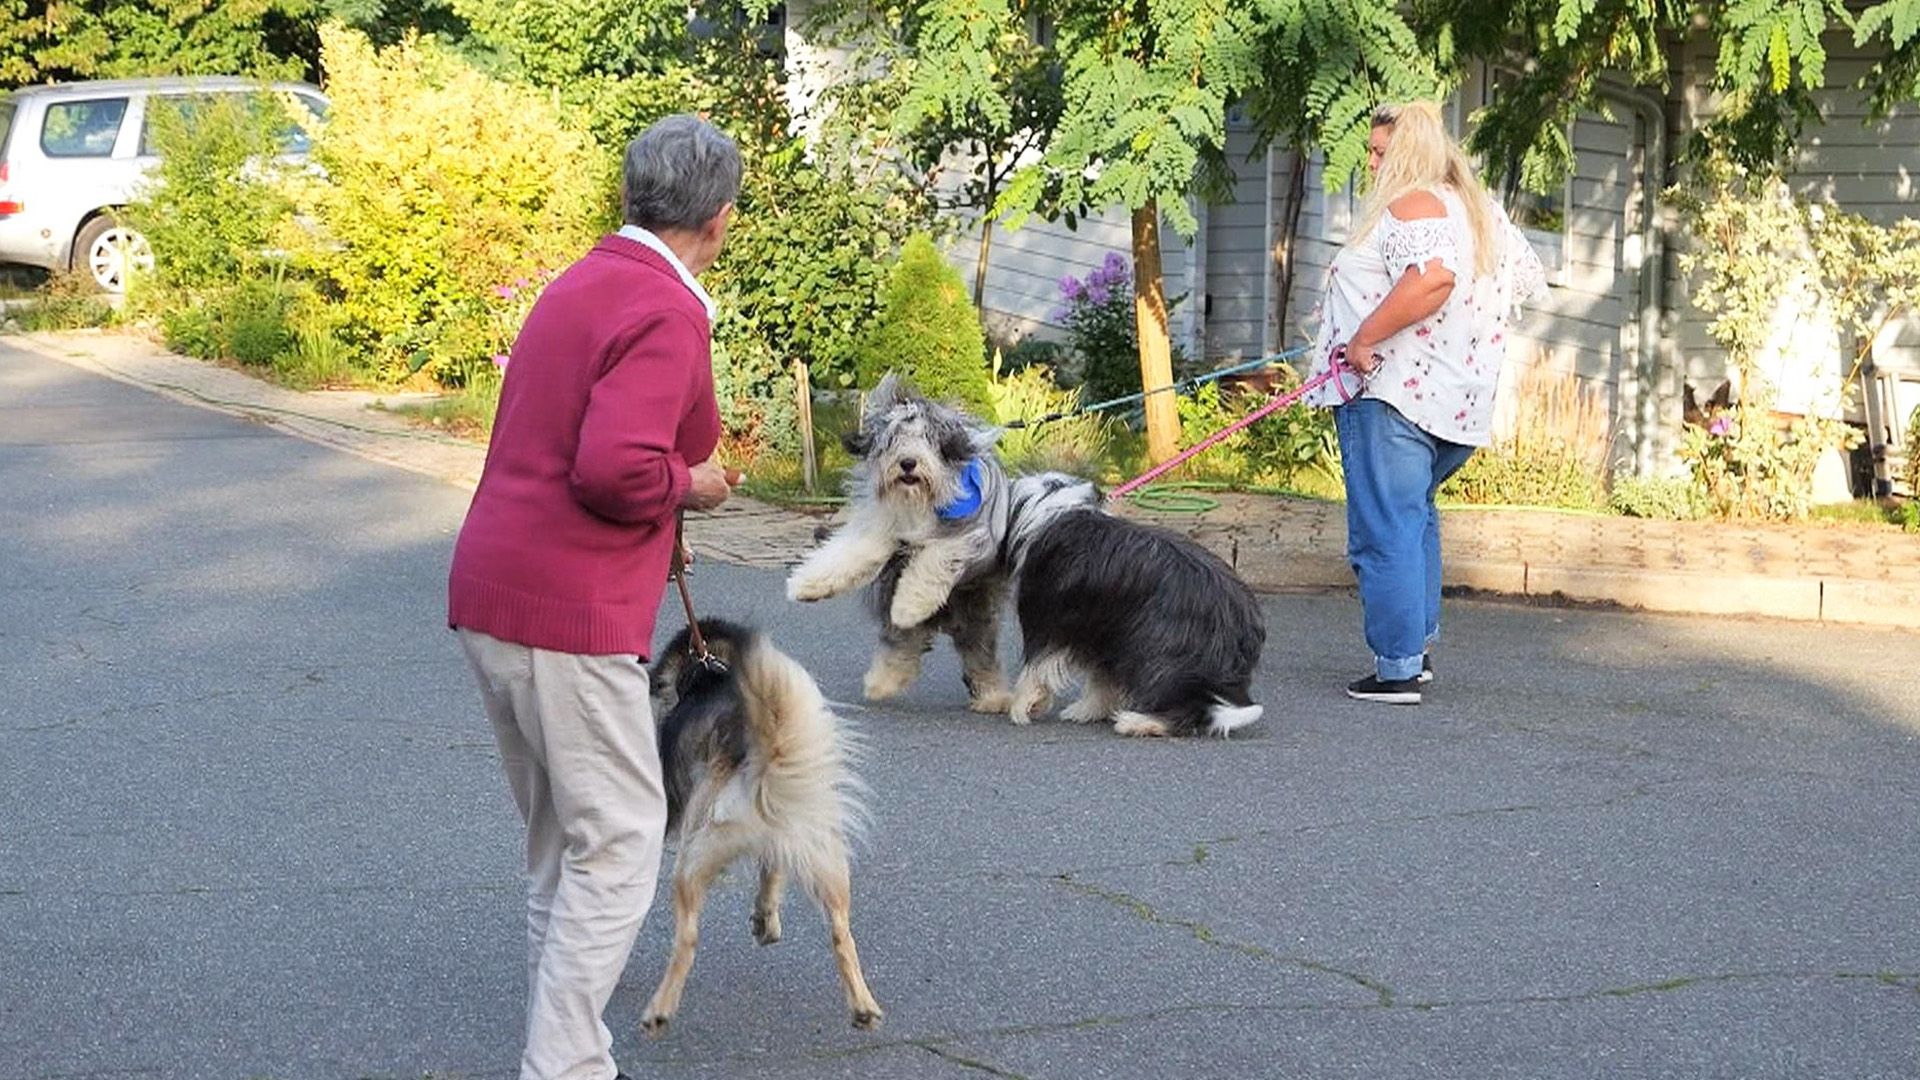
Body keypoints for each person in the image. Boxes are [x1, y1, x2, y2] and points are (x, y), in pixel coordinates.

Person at [447, 113, 743, 1080]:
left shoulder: (582, 280)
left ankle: (556, 1048)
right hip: (567, 615)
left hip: (493, 592)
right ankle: (567, 1065)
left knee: (561, 843)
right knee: (617, 840)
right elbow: (616, 470)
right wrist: (689, 487)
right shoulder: (664, 306)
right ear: (722, 217)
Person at [1308, 100, 1545, 705]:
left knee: (1383, 530)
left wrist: (1363, 337)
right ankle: (1416, 648)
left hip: (1392, 399)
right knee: (1413, 520)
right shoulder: (1478, 211)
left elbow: (1434, 278)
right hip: (1455, 406)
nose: (1370, 161)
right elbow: (1505, 283)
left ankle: (1396, 668)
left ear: (1410, 153)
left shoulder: (1412, 204)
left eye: (1380, 150)